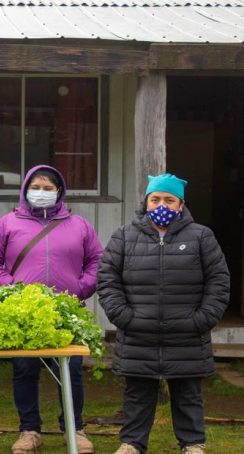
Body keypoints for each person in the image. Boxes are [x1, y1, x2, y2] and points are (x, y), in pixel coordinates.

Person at [97, 174, 230, 454]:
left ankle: (192, 444)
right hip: (138, 332)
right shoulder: (124, 236)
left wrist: (201, 319)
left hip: (187, 333)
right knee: (137, 393)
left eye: (170, 200)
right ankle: (132, 443)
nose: (162, 204)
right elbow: (108, 280)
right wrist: (125, 318)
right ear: (145, 202)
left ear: (181, 205)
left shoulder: (201, 236)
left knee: (188, 393)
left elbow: (218, 281)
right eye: (155, 199)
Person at [0, 165, 102, 454]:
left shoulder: (79, 225)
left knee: (71, 371)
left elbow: (96, 260)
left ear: (59, 192)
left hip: (66, 310)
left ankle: (75, 428)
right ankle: (29, 430)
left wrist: (81, 288)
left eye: (48, 188)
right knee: (24, 370)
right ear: (25, 189)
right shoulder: (8, 223)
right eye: (36, 187)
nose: (41, 193)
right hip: (22, 312)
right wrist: (8, 287)